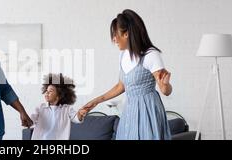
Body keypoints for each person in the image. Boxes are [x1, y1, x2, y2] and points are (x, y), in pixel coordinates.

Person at [82, 9, 172, 140]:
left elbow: (165, 91)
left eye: (115, 34)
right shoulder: (123, 55)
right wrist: (96, 101)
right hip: (129, 111)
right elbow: (121, 86)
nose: (114, 39)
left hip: (147, 111)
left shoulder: (150, 55)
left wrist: (165, 84)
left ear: (126, 34)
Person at [30, 73, 87, 140]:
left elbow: (77, 118)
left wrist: (80, 114)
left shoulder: (67, 109)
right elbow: (31, 120)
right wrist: (27, 121)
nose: (47, 93)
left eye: (50, 91)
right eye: (46, 91)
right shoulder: (40, 108)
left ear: (59, 95)